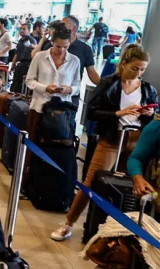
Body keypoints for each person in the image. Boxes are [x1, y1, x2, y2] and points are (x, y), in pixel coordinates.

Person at [51, 44, 157, 241]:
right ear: (123, 64)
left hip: (136, 141)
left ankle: (118, 231)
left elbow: (153, 118)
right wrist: (119, 113)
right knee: (91, 183)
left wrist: (149, 114)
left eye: (142, 69)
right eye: (135, 68)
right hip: (111, 139)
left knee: (129, 186)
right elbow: (92, 112)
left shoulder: (148, 89)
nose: (138, 73)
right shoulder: (109, 84)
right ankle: (68, 223)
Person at [25, 21, 82, 149]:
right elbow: (29, 80)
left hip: (62, 112)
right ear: (52, 42)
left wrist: (69, 89)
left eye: (65, 47)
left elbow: (77, 84)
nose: (61, 50)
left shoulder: (74, 61)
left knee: (59, 147)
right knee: (35, 145)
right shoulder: (40, 57)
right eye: (58, 46)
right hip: (39, 108)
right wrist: (45, 88)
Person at [33, 16, 101, 88]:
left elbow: (92, 72)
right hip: (47, 92)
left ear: (74, 29)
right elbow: (35, 59)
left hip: (71, 94)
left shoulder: (85, 49)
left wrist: (104, 86)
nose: (60, 28)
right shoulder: (51, 45)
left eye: (63, 25)